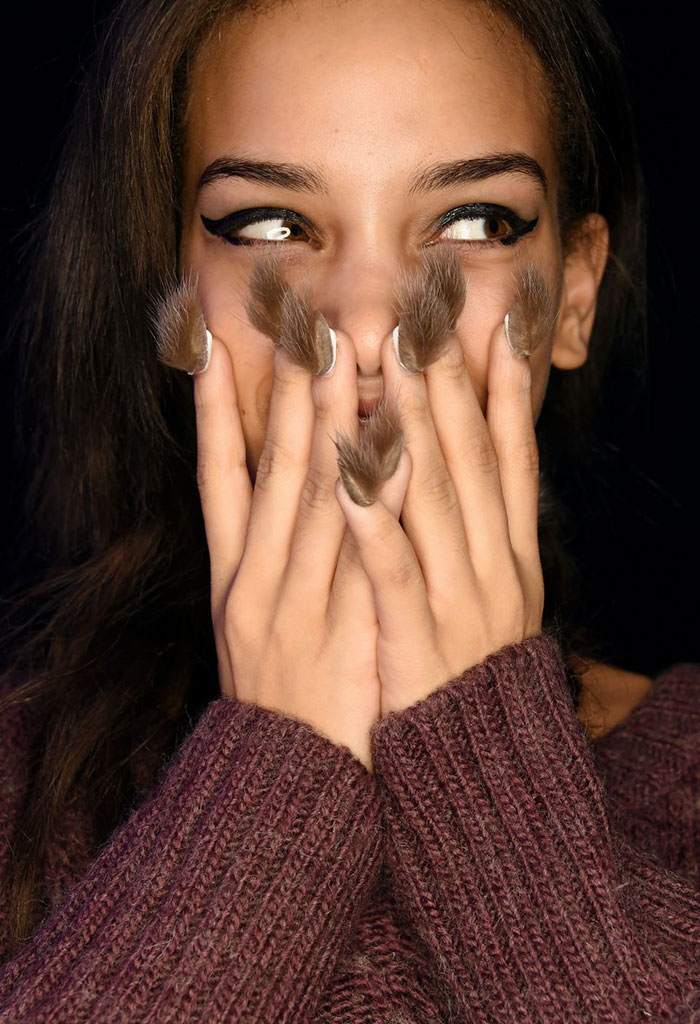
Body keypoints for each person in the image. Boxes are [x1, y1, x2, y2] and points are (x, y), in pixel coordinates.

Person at [0, 0, 698, 1019]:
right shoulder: (20, 790)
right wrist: (269, 779)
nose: (368, 326)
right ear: (173, 297)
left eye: (473, 222)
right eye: (270, 226)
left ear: (574, 295)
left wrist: (489, 774)